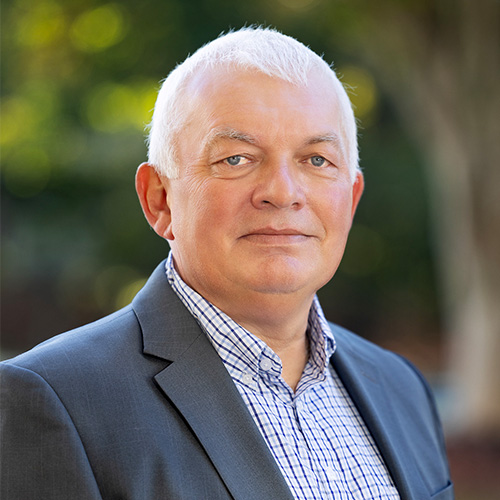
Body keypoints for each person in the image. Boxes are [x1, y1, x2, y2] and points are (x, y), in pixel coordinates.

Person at [0, 27, 453, 500]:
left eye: (316, 160)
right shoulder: (55, 402)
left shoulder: (403, 389)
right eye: (236, 158)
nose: (282, 192)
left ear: (352, 198)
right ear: (160, 200)